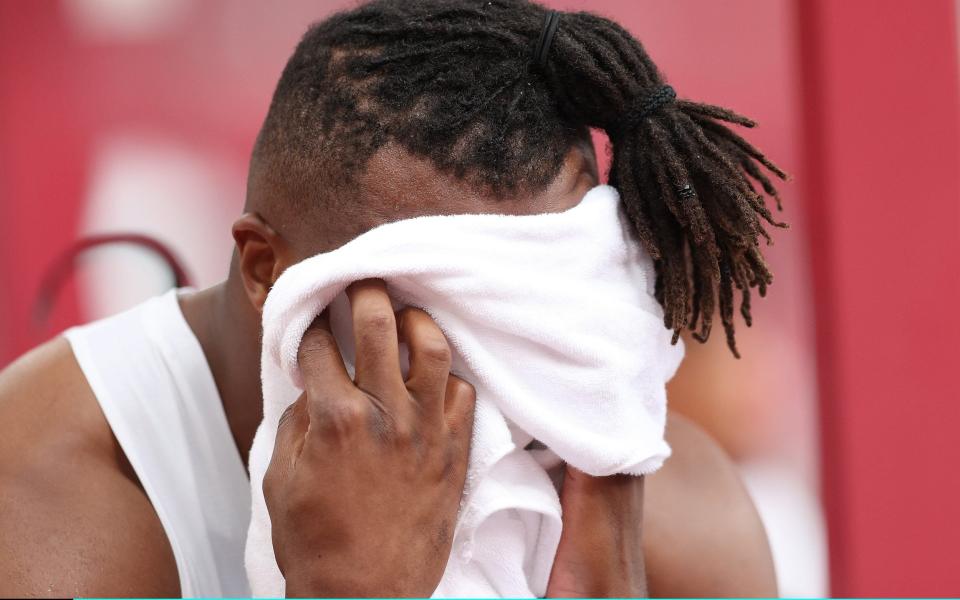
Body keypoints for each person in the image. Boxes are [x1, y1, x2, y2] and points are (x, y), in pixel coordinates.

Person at [0, 0, 783, 596]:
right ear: (269, 270)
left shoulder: (668, 518)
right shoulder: (46, 502)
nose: (499, 405)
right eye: (447, 335)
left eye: (549, 332)